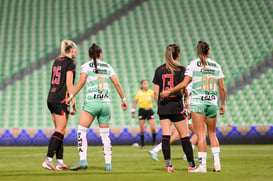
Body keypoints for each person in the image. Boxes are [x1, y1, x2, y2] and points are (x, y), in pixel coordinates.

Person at [160, 41, 226, 173]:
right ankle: (217, 164)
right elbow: (222, 88)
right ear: (208, 52)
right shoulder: (216, 65)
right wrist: (223, 104)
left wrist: (169, 91)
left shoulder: (193, 64)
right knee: (212, 133)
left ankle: (202, 166)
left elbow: (184, 84)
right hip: (212, 103)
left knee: (201, 134)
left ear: (197, 52)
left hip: (198, 103)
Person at [67, 43, 127, 171]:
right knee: (105, 135)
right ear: (100, 54)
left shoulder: (86, 66)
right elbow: (116, 83)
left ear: (89, 55)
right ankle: (108, 164)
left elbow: (82, 82)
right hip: (106, 104)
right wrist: (123, 99)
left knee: (81, 131)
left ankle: (83, 159)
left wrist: (71, 96)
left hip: (92, 103)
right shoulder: (107, 66)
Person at [152, 44, 197, 172]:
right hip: (177, 106)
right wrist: (186, 100)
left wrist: (159, 104)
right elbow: (184, 89)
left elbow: (156, 92)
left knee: (166, 135)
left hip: (164, 106)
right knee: (184, 136)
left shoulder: (159, 70)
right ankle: (191, 165)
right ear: (178, 55)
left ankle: (168, 166)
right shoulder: (182, 69)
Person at [42, 40, 78, 170]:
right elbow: (69, 83)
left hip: (51, 98)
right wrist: (73, 100)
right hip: (61, 99)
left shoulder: (57, 61)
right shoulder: (70, 63)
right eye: (76, 50)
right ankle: (48, 160)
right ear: (72, 50)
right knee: (60, 130)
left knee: (60, 131)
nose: (76, 52)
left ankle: (60, 162)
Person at [148, 83, 198, 161]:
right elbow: (186, 96)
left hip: (182, 110)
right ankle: (187, 154)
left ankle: (155, 150)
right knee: (198, 132)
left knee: (177, 135)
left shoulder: (186, 82)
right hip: (184, 111)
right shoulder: (188, 83)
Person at [131, 80, 157, 149]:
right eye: (145, 84)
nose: (146, 85)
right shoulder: (139, 93)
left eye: (147, 84)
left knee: (153, 128)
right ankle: (142, 145)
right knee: (142, 129)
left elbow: (156, 99)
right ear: (141, 85)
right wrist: (132, 111)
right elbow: (135, 102)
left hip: (149, 110)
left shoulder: (151, 92)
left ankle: (154, 143)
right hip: (141, 111)